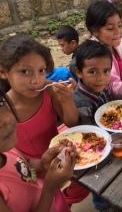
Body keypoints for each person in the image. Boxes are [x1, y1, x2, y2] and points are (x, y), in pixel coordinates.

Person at [0, 36, 89, 207]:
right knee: (45, 195)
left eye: (41, 70)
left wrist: (67, 100)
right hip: (31, 171)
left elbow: (71, 122)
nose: (36, 80)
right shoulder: (5, 114)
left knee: (74, 190)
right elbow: (20, 167)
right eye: (25, 72)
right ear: (4, 72)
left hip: (56, 158)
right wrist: (46, 179)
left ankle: (66, 200)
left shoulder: (48, 90)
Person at [0, 89, 77, 211]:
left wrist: (43, 164)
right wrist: (49, 188)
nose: (5, 120)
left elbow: (28, 169)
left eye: (1, 104)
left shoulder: (6, 149)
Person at [73, 40, 113, 211]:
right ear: (79, 72)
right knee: (101, 181)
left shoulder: (101, 87)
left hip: (110, 139)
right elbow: (88, 133)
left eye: (106, 71)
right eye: (92, 72)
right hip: (93, 150)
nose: (101, 78)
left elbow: (108, 108)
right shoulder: (80, 100)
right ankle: (102, 205)